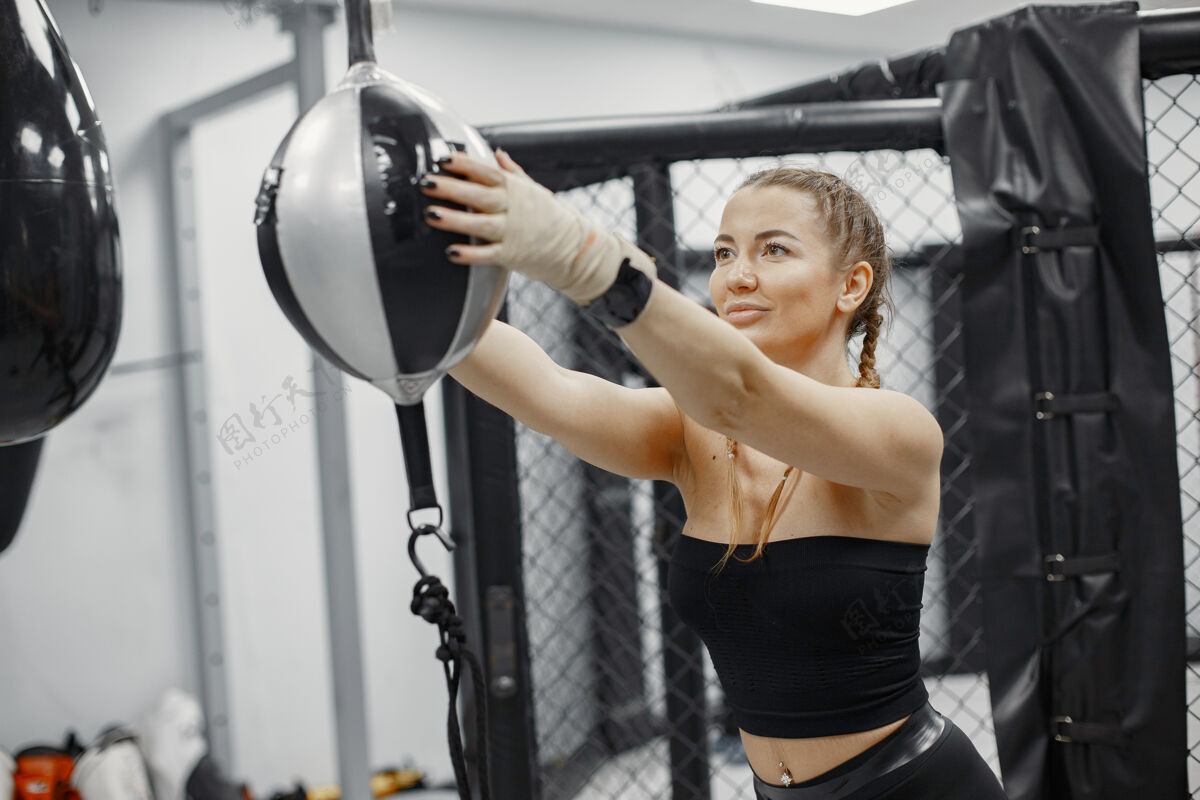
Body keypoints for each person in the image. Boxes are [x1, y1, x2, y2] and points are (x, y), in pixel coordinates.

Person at [419, 149, 1008, 799]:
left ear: (852, 285)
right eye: (725, 254)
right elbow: (544, 392)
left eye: (774, 251)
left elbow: (741, 394)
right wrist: (431, 276)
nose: (737, 277)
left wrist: (581, 253)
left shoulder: (898, 432)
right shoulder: (690, 436)